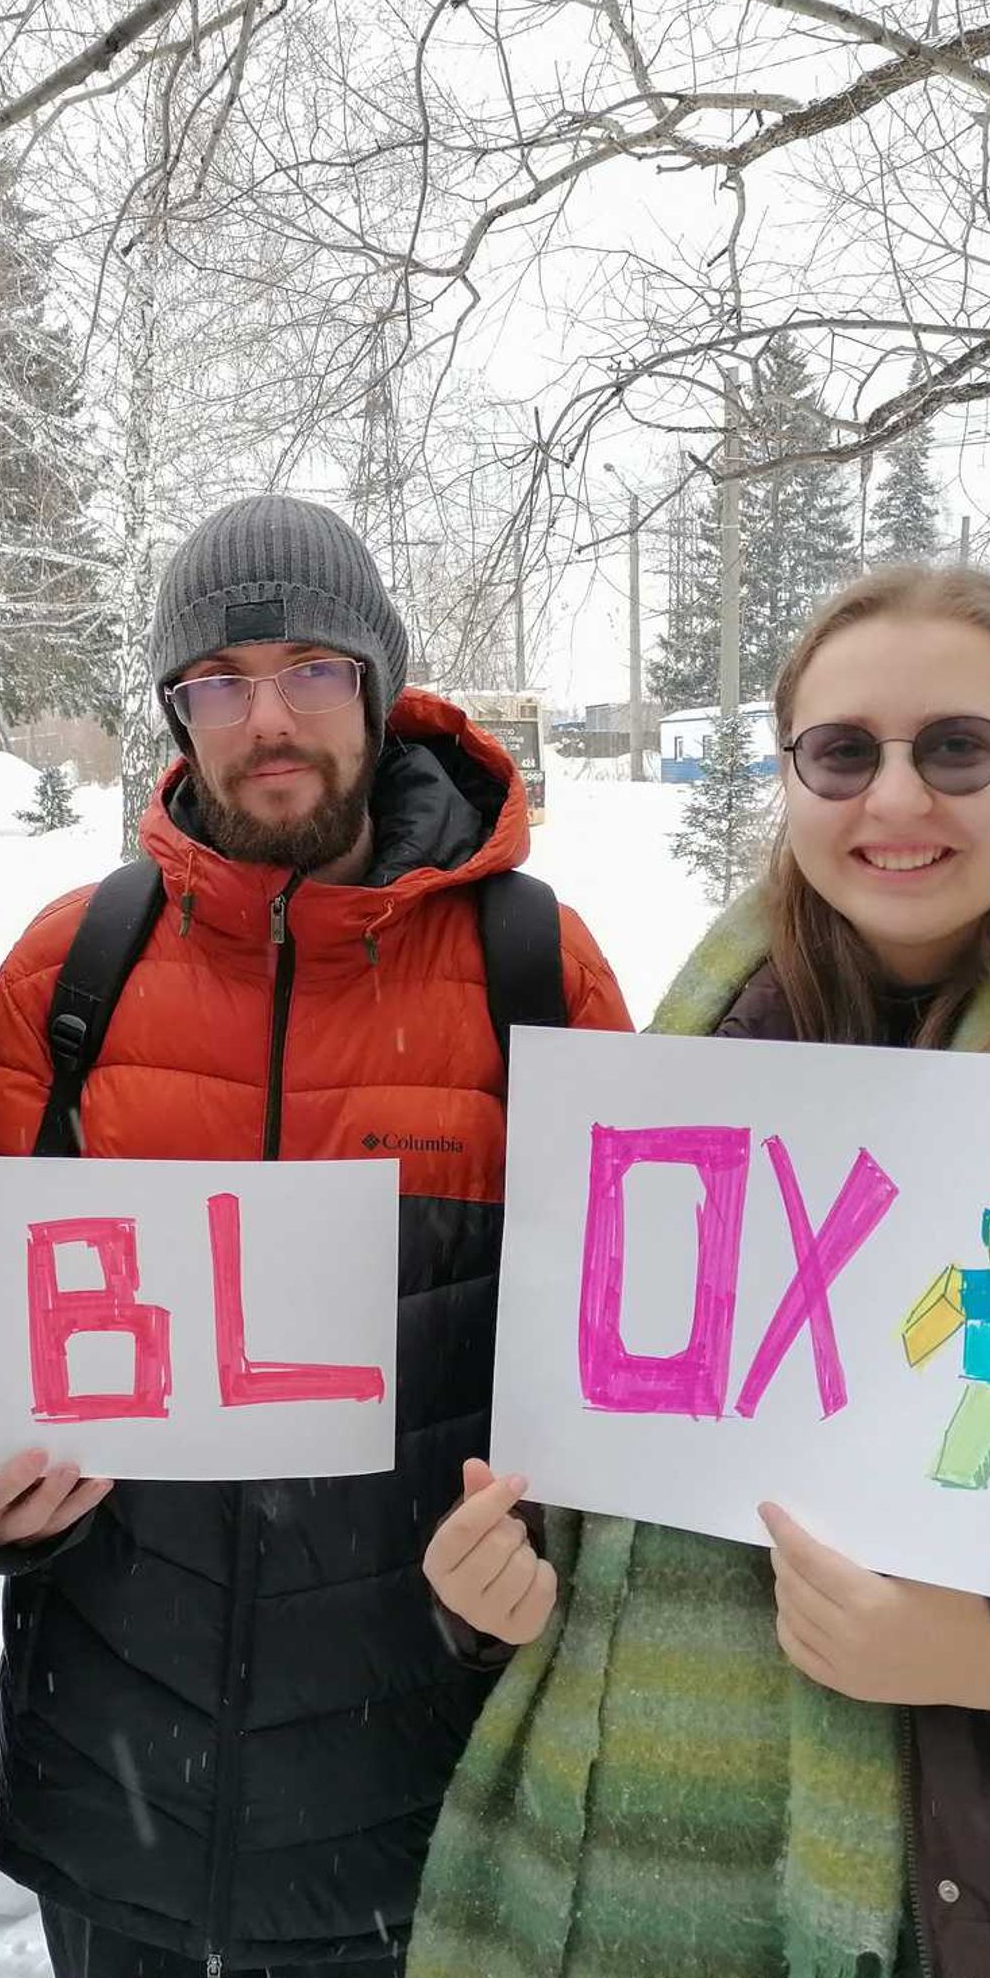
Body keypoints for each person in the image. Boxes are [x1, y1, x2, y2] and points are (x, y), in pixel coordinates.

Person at [0, 494, 631, 1978]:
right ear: (179, 711)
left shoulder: (530, 964)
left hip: (417, 1772)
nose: (269, 720)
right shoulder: (75, 966)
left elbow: (620, 1342)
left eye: (310, 669)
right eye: (222, 683)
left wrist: (538, 1559)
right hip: (119, 1763)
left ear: (376, 682)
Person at [412, 564, 990, 1978]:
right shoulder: (689, 1061)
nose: (896, 801)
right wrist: (489, 1587)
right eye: (844, 752)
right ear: (789, 777)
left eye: (961, 748)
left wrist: (969, 1656)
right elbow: (604, 1485)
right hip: (626, 1879)